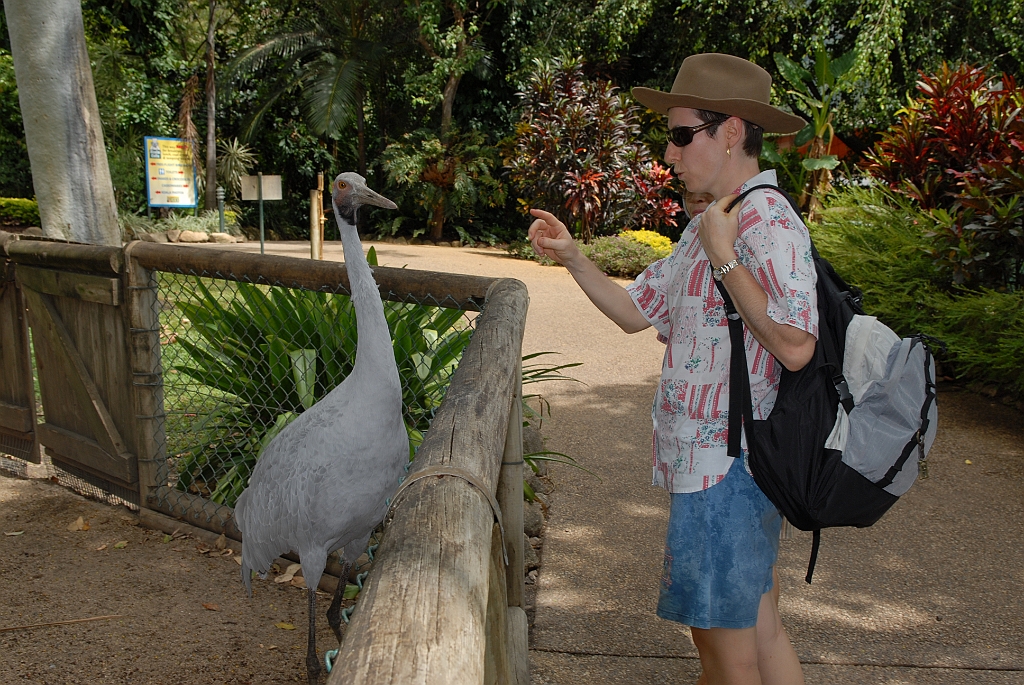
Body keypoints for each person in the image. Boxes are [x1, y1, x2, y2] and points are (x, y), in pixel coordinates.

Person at [528, 53, 816, 685]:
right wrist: (574, 255)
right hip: (719, 467)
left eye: (683, 135)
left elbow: (796, 345)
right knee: (760, 632)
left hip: (728, 468)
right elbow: (636, 311)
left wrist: (723, 258)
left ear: (733, 130)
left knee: (726, 655)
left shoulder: (764, 221)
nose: (671, 151)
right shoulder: (709, 222)